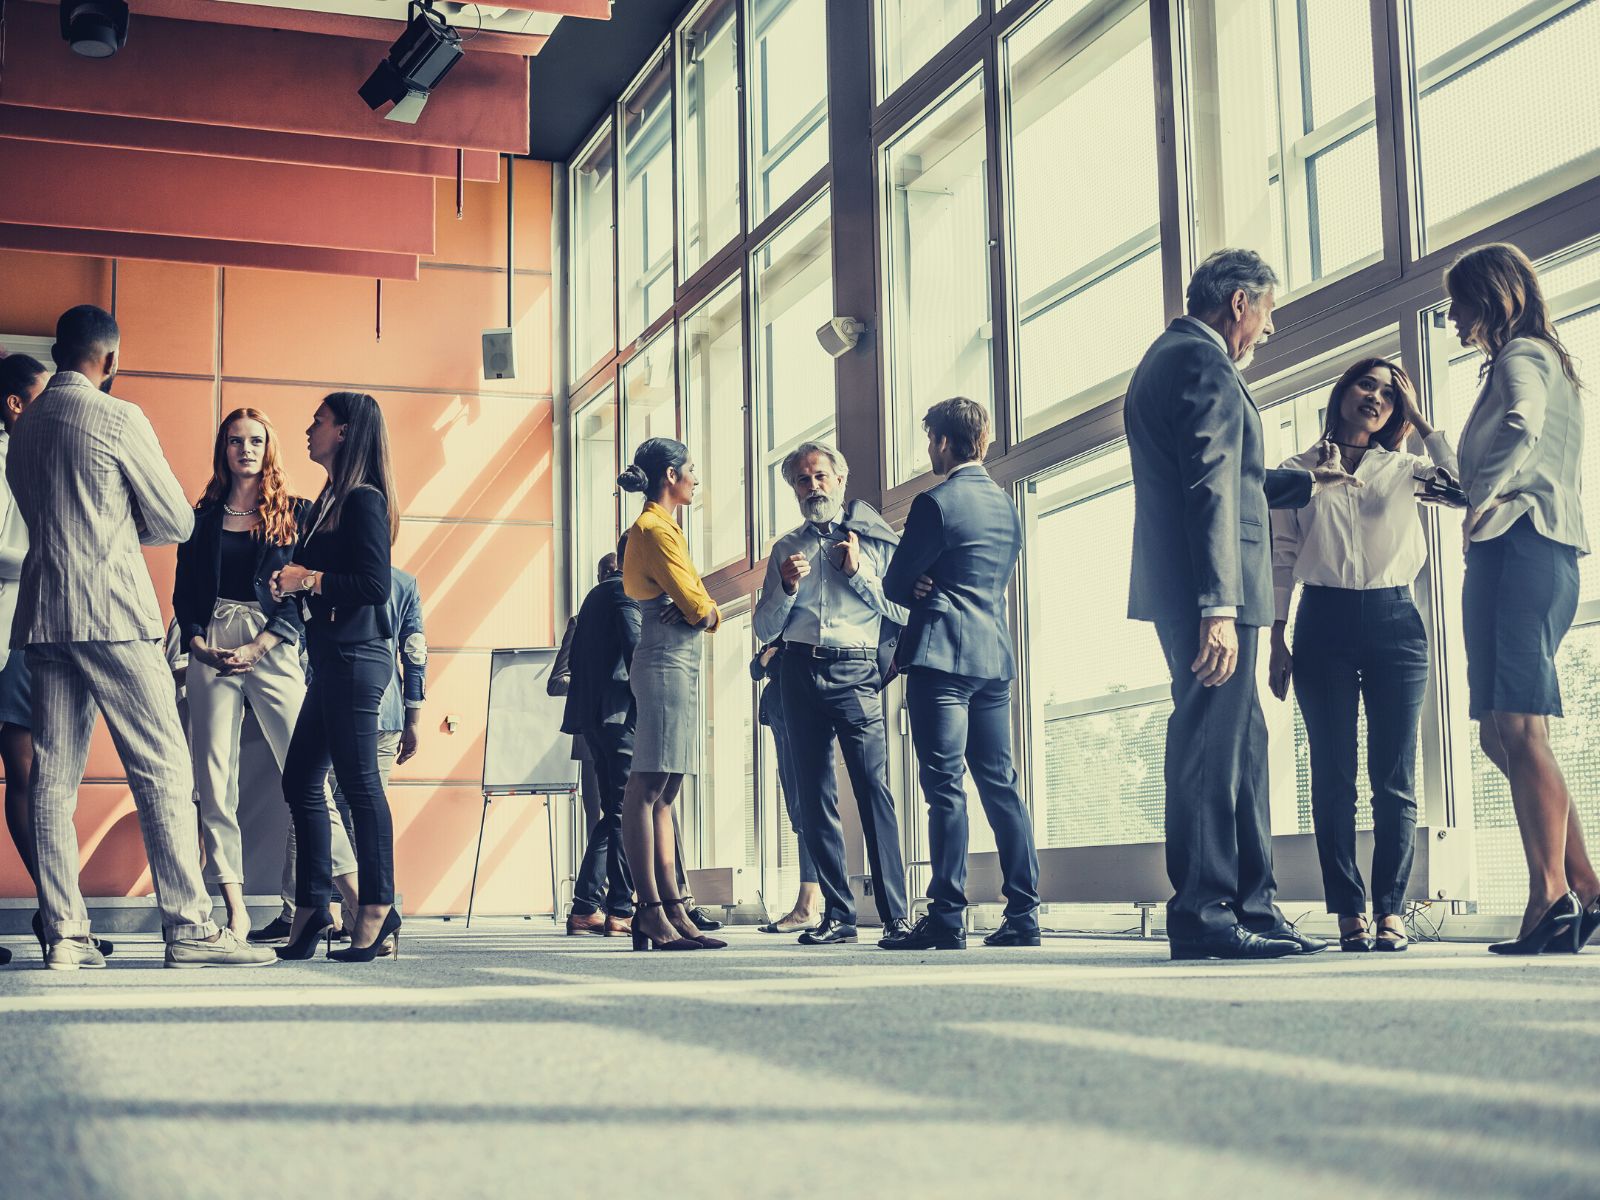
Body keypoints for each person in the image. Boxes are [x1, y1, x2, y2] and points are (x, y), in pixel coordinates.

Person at [8, 305, 273, 969]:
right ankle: (188, 928)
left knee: (52, 781)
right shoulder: (117, 416)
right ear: (111, 361)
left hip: (44, 616)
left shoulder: (28, 423)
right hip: (113, 614)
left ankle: (66, 935)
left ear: (60, 350)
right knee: (164, 766)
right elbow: (178, 519)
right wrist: (122, 527)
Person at [1125, 249, 1359, 961]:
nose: (1268, 328)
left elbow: (1237, 476)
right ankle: (1202, 913)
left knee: (1242, 746)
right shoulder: (1201, 362)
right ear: (1238, 305)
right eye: (1268, 312)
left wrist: (1307, 480)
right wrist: (1218, 606)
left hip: (1206, 583)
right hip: (1211, 591)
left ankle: (1253, 905)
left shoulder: (1175, 357)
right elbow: (1211, 487)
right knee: (1207, 746)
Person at [1268, 359, 1460, 951]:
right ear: (1343, 392)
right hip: (1321, 620)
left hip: (1396, 623)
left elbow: (1461, 488)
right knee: (1331, 777)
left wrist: (1425, 422)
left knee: (1394, 778)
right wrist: (1275, 636)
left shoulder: (1406, 470)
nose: (1374, 397)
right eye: (1365, 384)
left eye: (1388, 392)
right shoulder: (1298, 471)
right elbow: (1281, 553)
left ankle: (1392, 912)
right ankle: (1348, 911)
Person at [1445, 242, 1596, 955]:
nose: (1451, 317)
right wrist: (1429, 438)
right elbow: (1510, 450)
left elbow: (1520, 426)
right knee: (1501, 732)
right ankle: (1587, 889)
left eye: (1458, 302)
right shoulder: (1543, 359)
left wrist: (1481, 497)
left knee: (1519, 728)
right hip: (1539, 551)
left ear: (1489, 296)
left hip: (1520, 549)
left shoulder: (1519, 357)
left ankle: (1549, 899)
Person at [175, 408, 359, 940]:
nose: (246, 449)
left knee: (308, 777)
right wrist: (196, 643)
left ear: (268, 448)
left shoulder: (296, 514)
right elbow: (186, 593)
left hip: (273, 642)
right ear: (223, 449)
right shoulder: (202, 517)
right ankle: (233, 908)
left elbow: (301, 591)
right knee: (212, 780)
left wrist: (261, 643)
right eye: (235, 440)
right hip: (211, 641)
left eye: (255, 440)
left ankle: (354, 898)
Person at [880, 399, 1040, 952]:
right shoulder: (1005, 505)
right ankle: (1024, 914)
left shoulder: (936, 503)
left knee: (945, 788)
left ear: (945, 442)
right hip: (993, 659)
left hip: (942, 658)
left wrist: (921, 580)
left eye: (930, 441)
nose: (929, 451)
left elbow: (897, 583)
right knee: (1001, 786)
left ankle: (947, 918)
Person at [754, 442, 910, 946]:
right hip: (798, 673)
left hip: (857, 672)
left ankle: (895, 917)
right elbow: (763, 626)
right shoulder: (784, 549)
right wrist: (787, 588)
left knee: (873, 791)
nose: (812, 487)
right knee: (814, 795)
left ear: (840, 481)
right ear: (794, 489)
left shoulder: (875, 541)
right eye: (802, 480)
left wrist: (856, 573)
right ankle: (839, 916)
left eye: (820, 476)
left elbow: (903, 612)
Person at [271, 391, 400, 963]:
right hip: (330, 658)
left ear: (345, 432)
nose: (308, 429)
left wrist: (309, 580)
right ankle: (313, 908)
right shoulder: (331, 498)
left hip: (356, 656)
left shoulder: (364, 499)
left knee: (358, 785)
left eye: (318, 421)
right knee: (300, 779)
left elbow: (374, 585)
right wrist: (294, 582)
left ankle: (376, 906)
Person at [256, 565, 425, 951]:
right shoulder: (403, 583)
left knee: (318, 804)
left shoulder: (321, 577)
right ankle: (354, 914)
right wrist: (413, 715)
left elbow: (302, 638)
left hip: (334, 698)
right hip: (386, 709)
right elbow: (415, 653)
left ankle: (328, 912)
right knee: (350, 808)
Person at [617, 438, 724, 951]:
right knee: (647, 785)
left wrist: (704, 609)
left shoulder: (667, 528)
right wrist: (706, 610)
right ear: (671, 475)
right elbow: (695, 604)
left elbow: (699, 605)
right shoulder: (654, 529)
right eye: (692, 470)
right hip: (662, 663)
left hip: (678, 664)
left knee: (668, 790)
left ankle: (673, 907)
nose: (696, 479)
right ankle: (650, 911)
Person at [561, 541, 640, 937]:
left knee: (613, 814)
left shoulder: (593, 598)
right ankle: (621, 910)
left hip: (594, 721)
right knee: (623, 814)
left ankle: (585, 908)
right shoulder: (625, 592)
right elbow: (635, 652)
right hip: (620, 717)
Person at [753, 641, 824, 934]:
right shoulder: (783, 616)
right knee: (799, 809)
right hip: (782, 710)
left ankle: (808, 906)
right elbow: (756, 668)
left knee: (808, 808)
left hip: (806, 703)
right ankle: (810, 904)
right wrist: (764, 659)